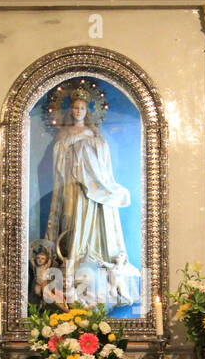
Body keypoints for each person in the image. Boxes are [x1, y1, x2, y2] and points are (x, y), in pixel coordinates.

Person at [44, 89, 139, 310]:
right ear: (70, 111)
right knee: (72, 221)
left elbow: (103, 158)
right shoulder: (63, 134)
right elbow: (58, 158)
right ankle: (73, 260)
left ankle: (91, 254)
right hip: (73, 188)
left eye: (82, 108)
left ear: (87, 111)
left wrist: (88, 143)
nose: (77, 111)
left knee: (93, 220)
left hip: (93, 190)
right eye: (75, 108)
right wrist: (73, 141)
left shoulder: (94, 133)